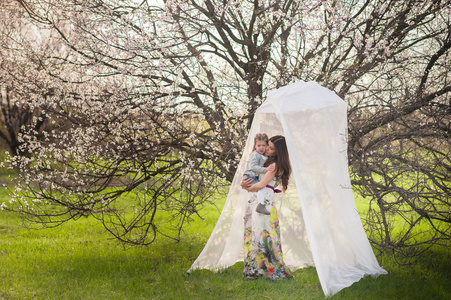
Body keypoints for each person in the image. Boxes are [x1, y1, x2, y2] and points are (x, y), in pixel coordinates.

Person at [241, 135, 292, 280]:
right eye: (267, 146)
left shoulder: (274, 165)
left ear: (278, 151)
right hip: (255, 200)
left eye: (271, 148)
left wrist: (245, 187)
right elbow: (253, 174)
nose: (267, 150)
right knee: (254, 234)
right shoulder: (263, 159)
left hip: (264, 201)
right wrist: (244, 183)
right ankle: (255, 267)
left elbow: (261, 185)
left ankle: (266, 268)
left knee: (264, 234)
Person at [242, 133, 273, 215]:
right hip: (250, 176)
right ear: (255, 145)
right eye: (259, 145)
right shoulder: (255, 155)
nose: (261, 148)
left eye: (264, 145)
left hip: (253, 177)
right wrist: (265, 169)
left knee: (259, 189)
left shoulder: (262, 155)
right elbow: (253, 167)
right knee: (261, 188)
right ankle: (260, 205)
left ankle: (258, 204)